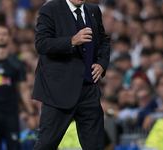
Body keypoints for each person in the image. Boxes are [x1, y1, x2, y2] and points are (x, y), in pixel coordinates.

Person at [31, 0, 110, 149]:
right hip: (58, 91)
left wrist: (102, 63)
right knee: (46, 145)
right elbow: (41, 43)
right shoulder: (50, 8)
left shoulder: (93, 10)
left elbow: (104, 40)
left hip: (88, 91)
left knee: (96, 146)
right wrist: (72, 41)